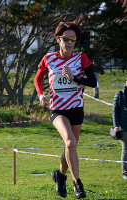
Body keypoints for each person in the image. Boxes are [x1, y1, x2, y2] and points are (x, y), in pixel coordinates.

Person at [34, 22, 97, 199]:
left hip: (76, 108)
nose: (70, 42)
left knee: (71, 147)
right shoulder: (48, 58)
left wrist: (75, 77)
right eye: (66, 39)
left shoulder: (81, 57)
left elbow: (92, 82)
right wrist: (40, 95)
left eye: (73, 39)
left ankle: (59, 176)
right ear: (58, 39)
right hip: (58, 109)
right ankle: (78, 184)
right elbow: (37, 80)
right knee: (70, 143)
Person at [112, 80, 127, 180]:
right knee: (126, 149)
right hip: (124, 127)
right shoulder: (120, 95)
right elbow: (115, 111)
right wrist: (116, 125)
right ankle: (125, 172)